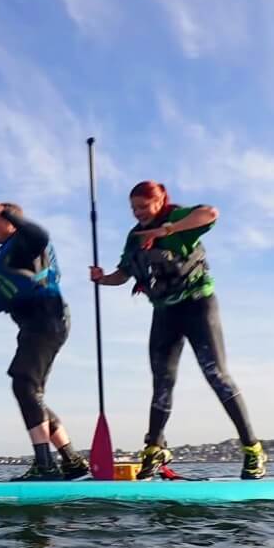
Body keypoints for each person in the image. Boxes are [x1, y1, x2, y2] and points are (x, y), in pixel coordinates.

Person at [90, 181, 266, 480]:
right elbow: (124, 274)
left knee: (216, 375)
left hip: (199, 305)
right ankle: (154, 450)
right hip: (165, 312)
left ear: (160, 202)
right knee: (162, 382)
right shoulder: (135, 237)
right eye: (133, 208)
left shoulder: (179, 219)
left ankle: (252, 449)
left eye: (144, 206)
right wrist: (103, 278)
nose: (138, 213)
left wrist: (167, 230)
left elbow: (210, 213)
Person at [0, 203, 90, 481]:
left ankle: (45, 464)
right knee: (31, 390)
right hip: (35, 325)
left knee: (24, 385)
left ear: (11, 223)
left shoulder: (26, 243)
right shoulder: (6, 254)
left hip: (47, 319)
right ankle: (71, 461)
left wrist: (8, 212)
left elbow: (41, 235)